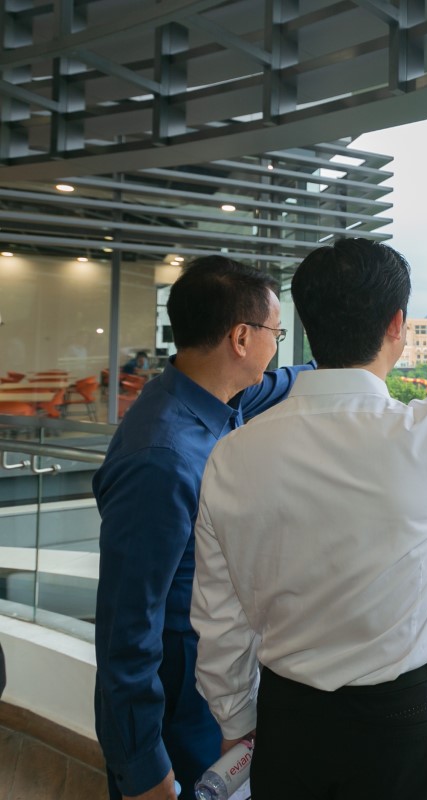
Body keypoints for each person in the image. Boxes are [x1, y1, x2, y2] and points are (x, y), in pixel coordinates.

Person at [191, 238, 427, 800]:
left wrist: (238, 725)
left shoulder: (233, 454)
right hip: (403, 723)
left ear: (307, 325)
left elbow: (219, 620)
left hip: (289, 718)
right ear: (397, 323)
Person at [93, 256, 311, 800]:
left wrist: (344, 368)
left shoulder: (204, 397)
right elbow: (125, 634)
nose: (278, 345)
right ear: (241, 336)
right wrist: (146, 770)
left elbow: (280, 384)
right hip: (177, 705)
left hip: (206, 683)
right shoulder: (162, 459)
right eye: (275, 332)